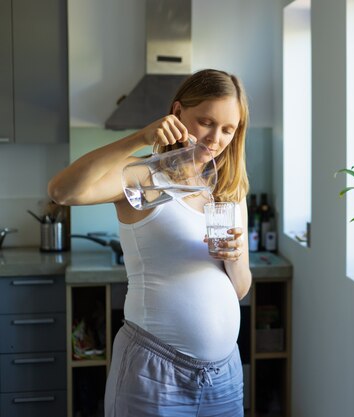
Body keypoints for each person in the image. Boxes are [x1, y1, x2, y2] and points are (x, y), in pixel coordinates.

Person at [48, 69, 252, 417]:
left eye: (228, 129)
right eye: (206, 122)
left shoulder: (229, 189)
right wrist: (138, 138)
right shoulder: (144, 177)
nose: (215, 138)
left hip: (224, 377)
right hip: (155, 374)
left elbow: (241, 288)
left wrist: (233, 259)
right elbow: (62, 191)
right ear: (177, 113)